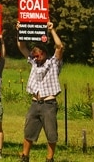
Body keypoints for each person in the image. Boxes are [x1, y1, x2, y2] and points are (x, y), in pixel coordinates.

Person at [17, 22, 64, 162]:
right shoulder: (33, 62)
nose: (35, 58)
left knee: (51, 133)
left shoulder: (53, 63)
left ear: (44, 53)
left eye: (38, 56)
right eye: (34, 56)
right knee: (28, 131)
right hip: (34, 103)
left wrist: (52, 30)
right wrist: (20, 31)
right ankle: (25, 157)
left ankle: (49, 158)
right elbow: (22, 46)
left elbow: (60, 46)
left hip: (49, 104)